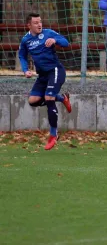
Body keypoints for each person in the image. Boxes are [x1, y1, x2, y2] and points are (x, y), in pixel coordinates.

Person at [18, 13, 72, 150]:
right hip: (42, 75)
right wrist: (25, 70)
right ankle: (61, 98)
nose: (39, 25)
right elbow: (22, 56)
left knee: (48, 98)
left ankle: (53, 134)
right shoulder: (26, 40)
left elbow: (66, 43)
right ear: (29, 25)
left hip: (55, 70)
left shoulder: (49, 33)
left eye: (40, 22)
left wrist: (55, 41)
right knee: (33, 101)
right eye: (35, 23)